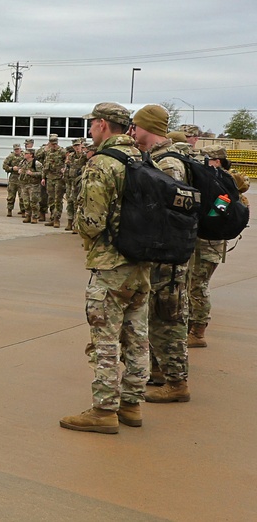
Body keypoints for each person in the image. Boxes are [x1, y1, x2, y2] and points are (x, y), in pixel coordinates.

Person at [60, 102, 150, 434]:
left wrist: (83, 227)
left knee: (105, 340)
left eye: (92, 124)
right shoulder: (142, 159)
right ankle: (131, 404)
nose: (90, 130)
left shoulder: (102, 164)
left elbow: (92, 222)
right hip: (141, 265)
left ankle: (104, 410)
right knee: (138, 336)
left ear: (101, 125)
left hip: (111, 266)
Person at [129, 104, 192, 404]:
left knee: (170, 317)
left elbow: (176, 213)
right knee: (157, 315)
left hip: (168, 255)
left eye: (136, 126)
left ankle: (177, 382)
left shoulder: (168, 164)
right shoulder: (156, 159)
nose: (133, 131)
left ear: (148, 128)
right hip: (159, 251)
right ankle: (160, 371)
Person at [187, 144, 250, 348]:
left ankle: (198, 332)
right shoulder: (222, 180)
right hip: (210, 241)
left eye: (206, 159)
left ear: (216, 161)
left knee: (198, 286)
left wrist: (205, 221)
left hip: (209, 243)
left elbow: (218, 213)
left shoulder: (222, 183)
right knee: (195, 285)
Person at [64, 138, 88, 231]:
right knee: (70, 201)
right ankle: (69, 222)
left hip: (79, 182)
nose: (77, 148)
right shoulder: (71, 156)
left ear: (81, 145)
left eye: (78, 145)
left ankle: (76, 224)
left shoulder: (84, 156)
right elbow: (67, 168)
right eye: (75, 146)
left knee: (77, 203)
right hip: (70, 182)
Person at [17, 149, 42, 224]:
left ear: (31, 155)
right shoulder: (23, 162)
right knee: (26, 201)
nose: (24, 154)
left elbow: (42, 173)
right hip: (24, 184)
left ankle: (34, 217)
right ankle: (28, 215)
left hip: (34, 185)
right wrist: (19, 171)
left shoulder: (37, 164)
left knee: (33, 201)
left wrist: (32, 173)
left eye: (26, 153)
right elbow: (19, 168)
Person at [2, 143, 24, 217]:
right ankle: (9, 210)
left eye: (18, 149)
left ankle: (23, 211)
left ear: (20, 149)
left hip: (22, 178)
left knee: (22, 196)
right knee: (11, 196)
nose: (17, 151)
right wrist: (11, 168)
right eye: (15, 149)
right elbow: (4, 166)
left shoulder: (24, 156)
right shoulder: (11, 157)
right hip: (13, 178)